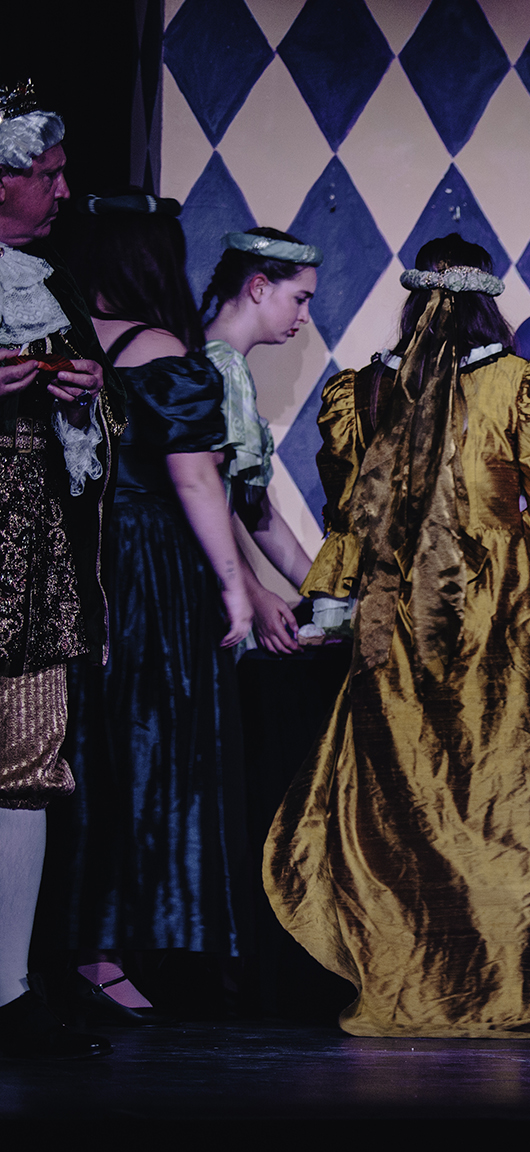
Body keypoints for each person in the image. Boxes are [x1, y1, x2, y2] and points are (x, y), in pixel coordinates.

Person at [267, 233, 530, 1037]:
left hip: (398, 610)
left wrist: (335, 596)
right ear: (487, 301)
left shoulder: (364, 390)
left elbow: (351, 512)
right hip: (505, 609)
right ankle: (506, 978)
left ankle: (414, 973)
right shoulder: (523, 383)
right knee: (507, 791)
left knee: (407, 796)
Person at [33, 191, 252, 1024]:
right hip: (146, 563)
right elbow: (195, 480)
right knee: (144, 746)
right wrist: (233, 584)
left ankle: (72, 948)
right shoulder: (160, 348)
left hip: (77, 555)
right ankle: (106, 952)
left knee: (85, 747)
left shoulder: (63, 340)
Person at [0, 79, 116, 1059]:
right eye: (48, 174)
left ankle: (9, 990)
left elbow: (97, 440)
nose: (64, 191)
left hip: (31, 557)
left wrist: (83, 396)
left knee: (28, 766)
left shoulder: (55, 286)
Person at [199, 227, 318, 653]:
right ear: (259, 287)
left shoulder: (210, 358)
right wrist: (254, 593)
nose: (305, 317)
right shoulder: (224, 368)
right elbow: (212, 501)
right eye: (300, 299)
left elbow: (251, 507)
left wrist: (320, 589)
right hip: (205, 584)